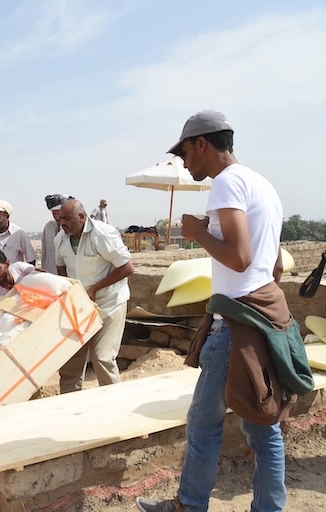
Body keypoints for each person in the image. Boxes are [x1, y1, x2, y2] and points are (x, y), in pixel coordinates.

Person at [136, 111, 288, 512]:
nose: (185, 162)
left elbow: (238, 258)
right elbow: (271, 266)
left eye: (185, 152)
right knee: (263, 424)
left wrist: (197, 233)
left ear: (201, 143)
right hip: (265, 317)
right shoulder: (262, 184)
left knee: (204, 424)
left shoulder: (226, 184)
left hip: (236, 324)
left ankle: (188, 505)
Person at [55, 199, 133, 393]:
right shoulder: (61, 239)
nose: (62, 223)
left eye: (67, 219)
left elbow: (126, 267)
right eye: (60, 219)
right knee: (70, 360)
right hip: (80, 306)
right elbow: (61, 267)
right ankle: (70, 407)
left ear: (81, 217)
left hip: (109, 303)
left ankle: (114, 405)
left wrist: (94, 289)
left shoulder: (102, 234)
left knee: (102, 357)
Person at [41, 194, 70, 274]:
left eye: (59, 213)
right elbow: (44, 253)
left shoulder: (72, 229)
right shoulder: (48, 227)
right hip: (50, 273)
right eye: (54, 214)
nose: (57, 217)